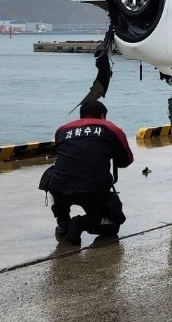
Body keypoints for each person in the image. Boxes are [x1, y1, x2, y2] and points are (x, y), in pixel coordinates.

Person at [39, 98, 134, 245]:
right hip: (93, 189)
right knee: (114, 222)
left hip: (60, 187)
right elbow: (126, 161)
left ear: (81, 115)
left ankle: (62, 222)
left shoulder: (62, 130)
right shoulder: (111, 128)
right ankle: (80, 223)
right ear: (102, 115)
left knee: (53, 176)